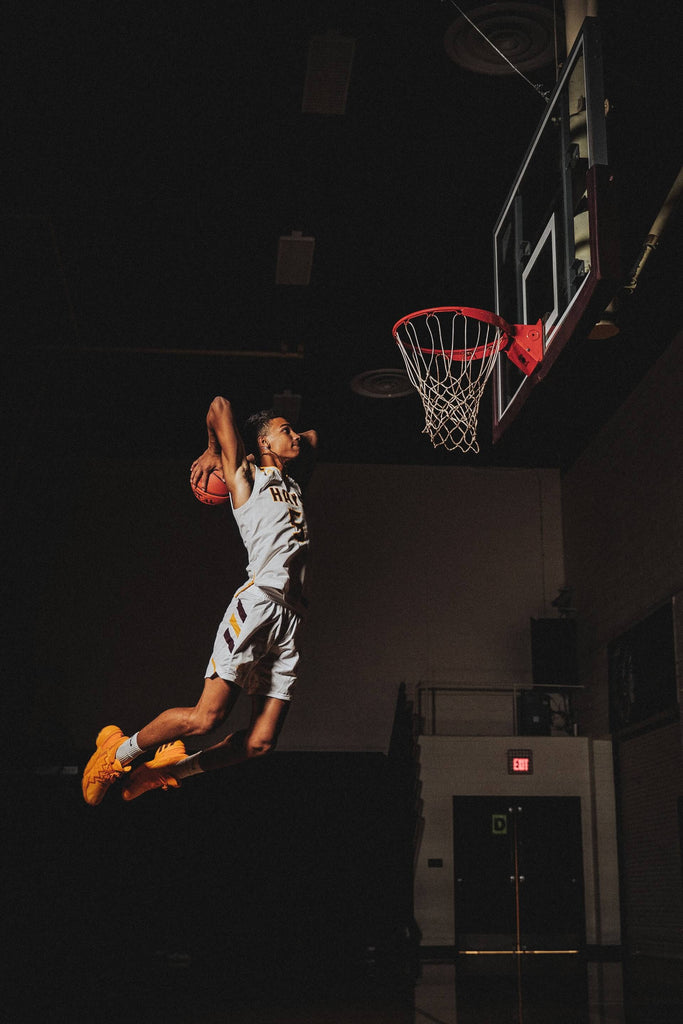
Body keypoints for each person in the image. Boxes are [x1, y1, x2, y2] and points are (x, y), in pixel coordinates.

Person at [81, 395, 317, 805]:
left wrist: (289, 436)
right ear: (261, 443)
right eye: (285, 432)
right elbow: (220, 405)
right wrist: (215, 451)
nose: (295, 436)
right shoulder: (245, 476)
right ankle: (117, 753)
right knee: (206, 718)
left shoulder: (293, 484)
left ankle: (169, 770)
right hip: (258, 604)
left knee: (261, 743)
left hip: (292, 619)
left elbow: (312, 437)